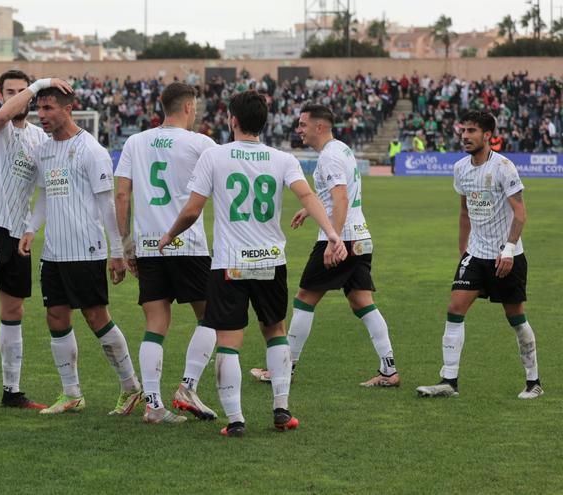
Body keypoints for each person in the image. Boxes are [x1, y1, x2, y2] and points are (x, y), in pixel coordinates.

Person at [157, 90, 347, 437]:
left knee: (229, 339)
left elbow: (193, 209)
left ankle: (236, 420)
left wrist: (169, 235)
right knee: (275, 331)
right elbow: (307, 196)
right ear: (265, 122)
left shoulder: (214, 156)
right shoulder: (283, 158)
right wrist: (332, 234)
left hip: (230, 263)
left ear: (233, 120)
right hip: (271, 261)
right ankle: (281, 410)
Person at [19, 86, 142, 416]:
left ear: (68, 109)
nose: (41, 115)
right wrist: (32, 229)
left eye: (48, 108)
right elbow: (43, 195)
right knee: (55, 316)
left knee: (95, 316)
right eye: (39, 109)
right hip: (54, 253)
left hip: (86, 250)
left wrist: (117, 251)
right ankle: (71, 393)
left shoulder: (92, 149)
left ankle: (131, 386)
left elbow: (106, 204)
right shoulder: (44, 151)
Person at [0, 71, 70, 413]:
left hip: (18, 233)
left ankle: (12, 391)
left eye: (22, 91)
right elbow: (5, 114)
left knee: (14, 310)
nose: (17, 96)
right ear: (0, 93)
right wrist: (38, 84)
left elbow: (46, 191)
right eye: (11, 91)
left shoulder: (40, 140)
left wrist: (33, 228)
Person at [417, 110, 542, 400]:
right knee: (454, 308)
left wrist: (509, 249)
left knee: (515, 317)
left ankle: (533, 381)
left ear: (487, 135)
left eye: (471, 131)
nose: (464, 135)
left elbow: (520, 214)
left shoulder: (504, 167)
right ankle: (448, 381)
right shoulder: (461, 168)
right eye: (463, 130)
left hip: (506, 256)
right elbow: (464, 211)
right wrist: (464, 252)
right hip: (475, 253)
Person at [114, 82, 218, 424]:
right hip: (187, 245)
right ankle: (187, 386)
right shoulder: (201, 143)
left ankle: (154, 405)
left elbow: (122, 196)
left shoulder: (135, 142)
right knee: (211, 317)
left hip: (147, 246)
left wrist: (125, 244)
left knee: (155, 324)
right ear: (188, 107)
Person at [283, 103, 399, 387]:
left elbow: (341, 198)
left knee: (304, 299)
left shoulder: (329, 157)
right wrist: (309, 210)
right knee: (361, 301)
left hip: (341, 238)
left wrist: (333, 239)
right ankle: (389, 370)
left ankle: (284, 368)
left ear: (319, 127)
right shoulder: (342, 149)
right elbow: (333, 195)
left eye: (303, 124)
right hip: (360, 236)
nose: (299, 130)